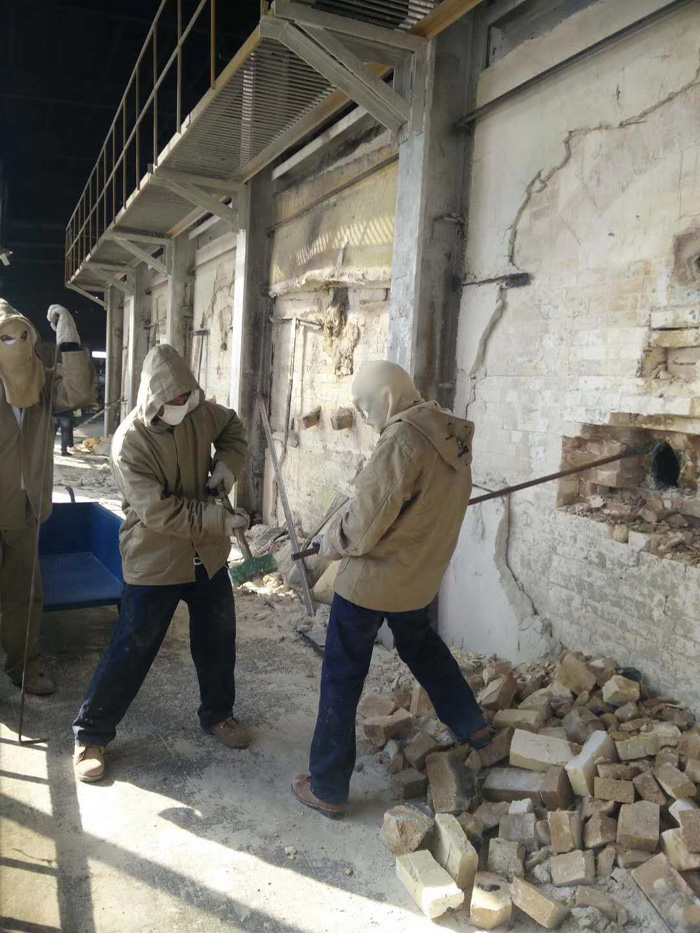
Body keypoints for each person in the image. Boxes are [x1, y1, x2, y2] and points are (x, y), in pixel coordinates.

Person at [292, 360, 489, 819]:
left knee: (341, 676)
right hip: (416, 579)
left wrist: (329, 543)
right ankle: (472, 725)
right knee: (422, 648)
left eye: (364, 407)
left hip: (372, 582)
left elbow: (363, 523)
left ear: (382, 399)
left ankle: (327, 787)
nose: (364, 416)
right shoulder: (450, 434)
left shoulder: (403, 440)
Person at [72, 343, 249, 783]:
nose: (180, 407)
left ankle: (218, 715)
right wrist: (220, 520)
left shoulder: (197, 410)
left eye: (185, 398)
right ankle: (91, 734)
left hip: (205, 556)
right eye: (171, 401)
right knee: (134, 647)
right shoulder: (129, 443)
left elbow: (233, 429)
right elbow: (161, 513)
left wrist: (226, 467)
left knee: (218, 638)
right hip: (156, 556)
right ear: (153, 398)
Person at [0, 299, 94, 695]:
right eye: (4, 336)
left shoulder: (40, 380)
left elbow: (77, 391)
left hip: (26, 505)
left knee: (26, 591)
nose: (14, 343)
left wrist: (69, 343)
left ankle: (24, 666)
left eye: (21, 334)